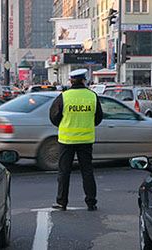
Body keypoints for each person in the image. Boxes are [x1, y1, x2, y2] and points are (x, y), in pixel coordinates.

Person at [49, 69, 103, 211]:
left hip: (67, 141)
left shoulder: (64, 97)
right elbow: (98, 118)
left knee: (64, 172)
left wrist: (64, 124)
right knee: (87, 171)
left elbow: (54, 117)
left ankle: (62, 202)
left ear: (71, 81)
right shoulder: (92, 96)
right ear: (84, 80)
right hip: (86, 140)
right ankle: (91, 202)